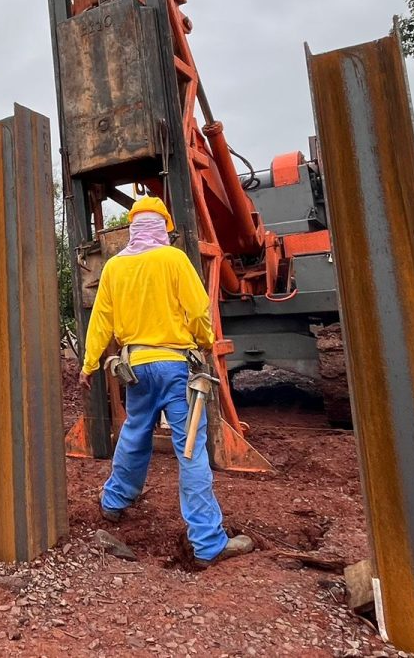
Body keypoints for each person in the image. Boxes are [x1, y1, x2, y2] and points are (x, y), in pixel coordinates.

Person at [82, 197, 253, 568]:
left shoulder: (114, 267)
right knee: (189, 446)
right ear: (163, 228)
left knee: (135, 431)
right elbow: (197, 310)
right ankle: (208, 542)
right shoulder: (174, 260)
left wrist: (89, 363)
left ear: (132, 228)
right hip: (176, 368)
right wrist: (206, 342)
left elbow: (101, 321)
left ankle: (114, 502)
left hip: (137, 368)